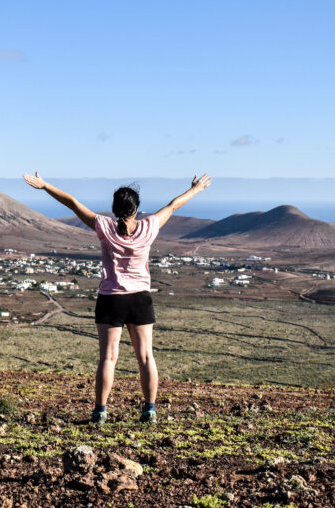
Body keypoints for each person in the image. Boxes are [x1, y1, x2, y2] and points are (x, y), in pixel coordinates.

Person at [22, 171, 211, 424]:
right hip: (140, 299)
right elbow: (173, 205)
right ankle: (149, 410)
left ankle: (100, 412)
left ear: (114, 209)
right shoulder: (148, 226)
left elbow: (73, 203)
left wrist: (45, 186)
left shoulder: (105, 227)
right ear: (137, 209)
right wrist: (196, 189)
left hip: (111, 298)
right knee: (146, 357)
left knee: (108, 358)